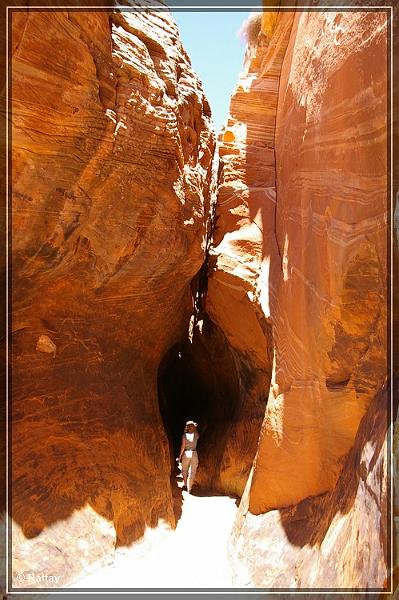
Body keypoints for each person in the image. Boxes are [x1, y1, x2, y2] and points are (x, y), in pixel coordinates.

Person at [177, 420, 199, 494]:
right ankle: (190, 488)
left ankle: (185, 485)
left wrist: (180, 457)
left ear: (187, 427)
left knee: (184, 470)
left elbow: (183, 446)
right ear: (192, 427)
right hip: (194, 453)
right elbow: (197, 433)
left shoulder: (184, 436)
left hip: (186, 453)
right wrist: (195, 427)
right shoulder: (196, 435)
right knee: (192, 472)